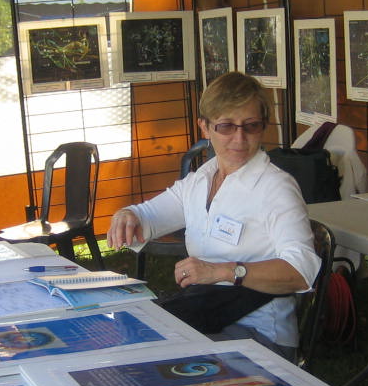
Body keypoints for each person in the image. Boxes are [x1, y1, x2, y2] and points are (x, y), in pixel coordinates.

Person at [107, 73, 319, 360]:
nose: (239, 138)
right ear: (204, 127)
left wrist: (224, 271)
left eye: (251, 126)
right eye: (226, 126)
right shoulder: (202, 179)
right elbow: (148, 215)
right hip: (205, 315)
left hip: (261, 336)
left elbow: (301, 270)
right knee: (127, 342)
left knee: (147, 355)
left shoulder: (275, 188)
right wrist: (127, 214)